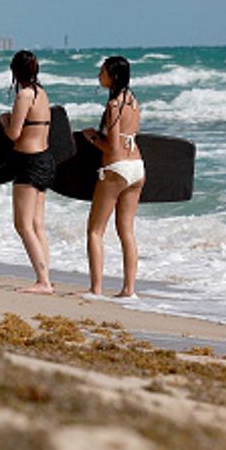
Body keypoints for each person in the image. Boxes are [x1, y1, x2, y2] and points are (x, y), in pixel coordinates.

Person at [82, 55, 145, 297]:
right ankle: (129, 289)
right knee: (126, 231)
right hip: (138, 168)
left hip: (116, 169)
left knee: (95, 231)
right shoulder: (134, 101)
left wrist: (92, 137)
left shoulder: (114, 106)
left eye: (103, 72)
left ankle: (96, 289)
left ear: (113, 76)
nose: (99, 76)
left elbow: (113, 148)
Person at [0, 50, 55, 294]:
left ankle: (42, 281)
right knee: (37, 224)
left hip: (28, 162)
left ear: (15, 72)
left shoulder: (24, 95)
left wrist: (4, 121)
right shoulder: (42, 94)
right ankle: (46, 278)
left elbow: (14, 134)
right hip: (45, 159)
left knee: (22, 225)